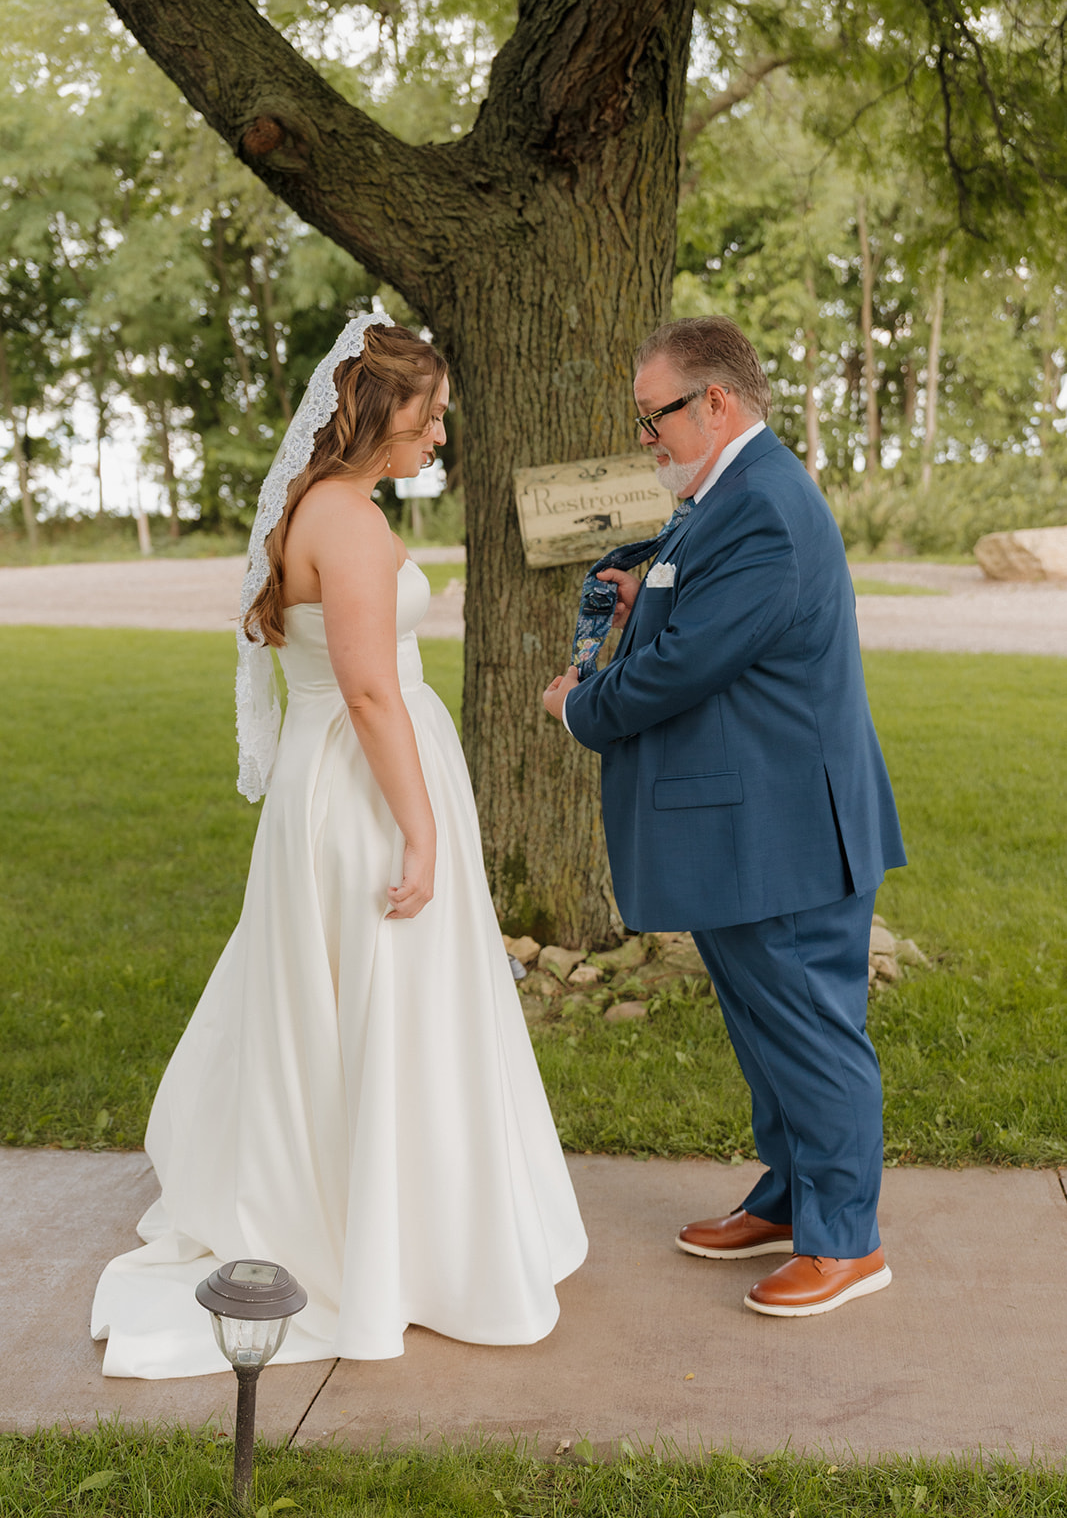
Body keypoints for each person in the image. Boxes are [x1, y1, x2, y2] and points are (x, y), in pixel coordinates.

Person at [92, 314, 586, 1377]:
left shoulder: (312, 511)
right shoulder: (349, 524)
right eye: (431, 416)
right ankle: (389, 1248)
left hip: (336, 777)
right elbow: (368, 689)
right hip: (365, 786)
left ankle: (384, 1224)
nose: (441, 437)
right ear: (378, 413)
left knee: (357, 1002)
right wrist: (419, 828)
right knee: (383, 992)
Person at [543, 316, 905, 1318]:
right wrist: (638, 576)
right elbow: (685, 580)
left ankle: (846, 1240)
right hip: (751, 822)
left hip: (782, 828)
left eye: (652, 415)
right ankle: (791, 1198)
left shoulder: (761, 506)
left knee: (810, 1031)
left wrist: (580, 705)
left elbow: (681, 666)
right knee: (767, 1030)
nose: (644, 437)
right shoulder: (724, 496)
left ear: (716, 401)